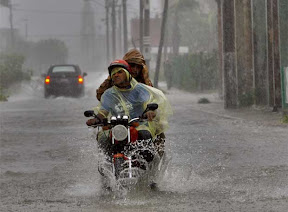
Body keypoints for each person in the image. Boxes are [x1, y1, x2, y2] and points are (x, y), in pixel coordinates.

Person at [87, 59, 172, 156]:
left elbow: (150, 101)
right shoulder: (109, 94)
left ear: (127, 73)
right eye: (113, 73)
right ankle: (106, 163)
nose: (116, 75)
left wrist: (150, 111)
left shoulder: (139, 89)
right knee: (102, 137)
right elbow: (103, 111)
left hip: (139, 125)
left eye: (119, 72)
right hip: (117, 127)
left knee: (145, 134)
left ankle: (148, 163)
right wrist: (96, 119)